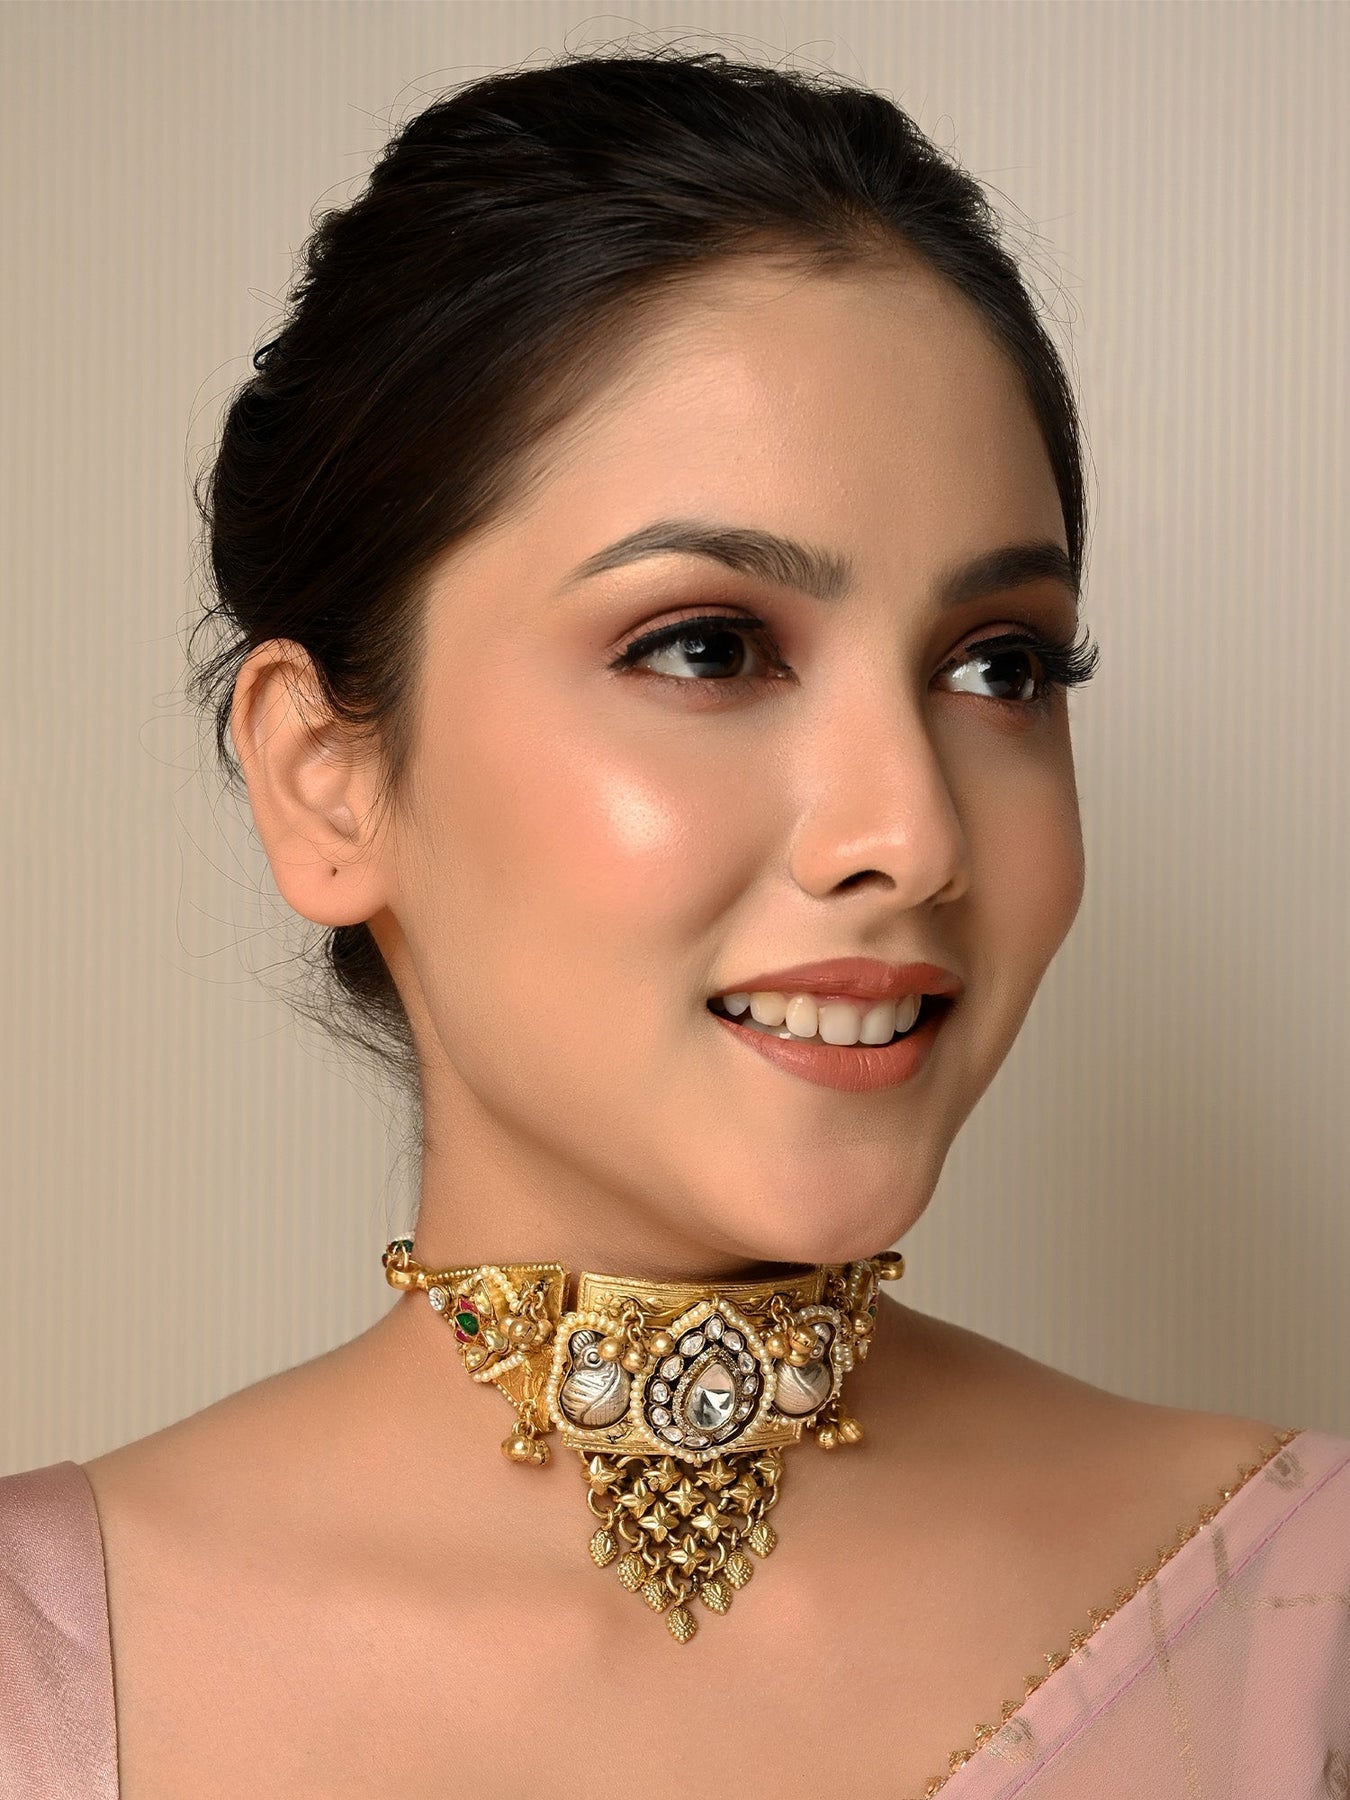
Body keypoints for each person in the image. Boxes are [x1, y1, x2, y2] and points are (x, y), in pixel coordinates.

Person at [2, 46, 1346, 1800]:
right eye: (706, 647)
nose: (911, 835)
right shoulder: (43, 1676)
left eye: (997, 665)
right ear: (326, 780)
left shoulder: (1300, 1622)